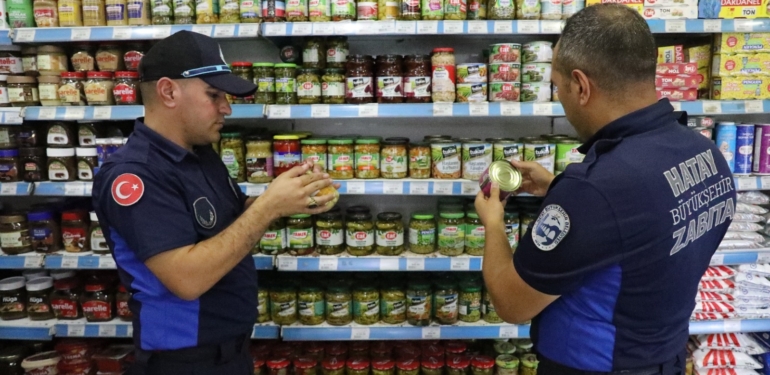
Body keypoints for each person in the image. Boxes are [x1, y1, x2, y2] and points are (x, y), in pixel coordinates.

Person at [475, 4, 734, 375]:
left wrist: (494, 221)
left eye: (558, 86)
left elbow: (511, 302)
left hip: (594, 365)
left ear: (581, 86)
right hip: (666, 356)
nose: (561, 98)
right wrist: (556, 187)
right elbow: (646, 227)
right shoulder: (706, 154)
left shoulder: (596, 189)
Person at [92, 31, 337, 375]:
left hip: (231, 353)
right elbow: (186, 279)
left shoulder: (200, 153)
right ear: (168, 91)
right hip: (184, 363)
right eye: (214, 94)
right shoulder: (136, 176)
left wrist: (290, 197)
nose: (227, 107)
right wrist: (268, 206)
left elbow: (230, 221)